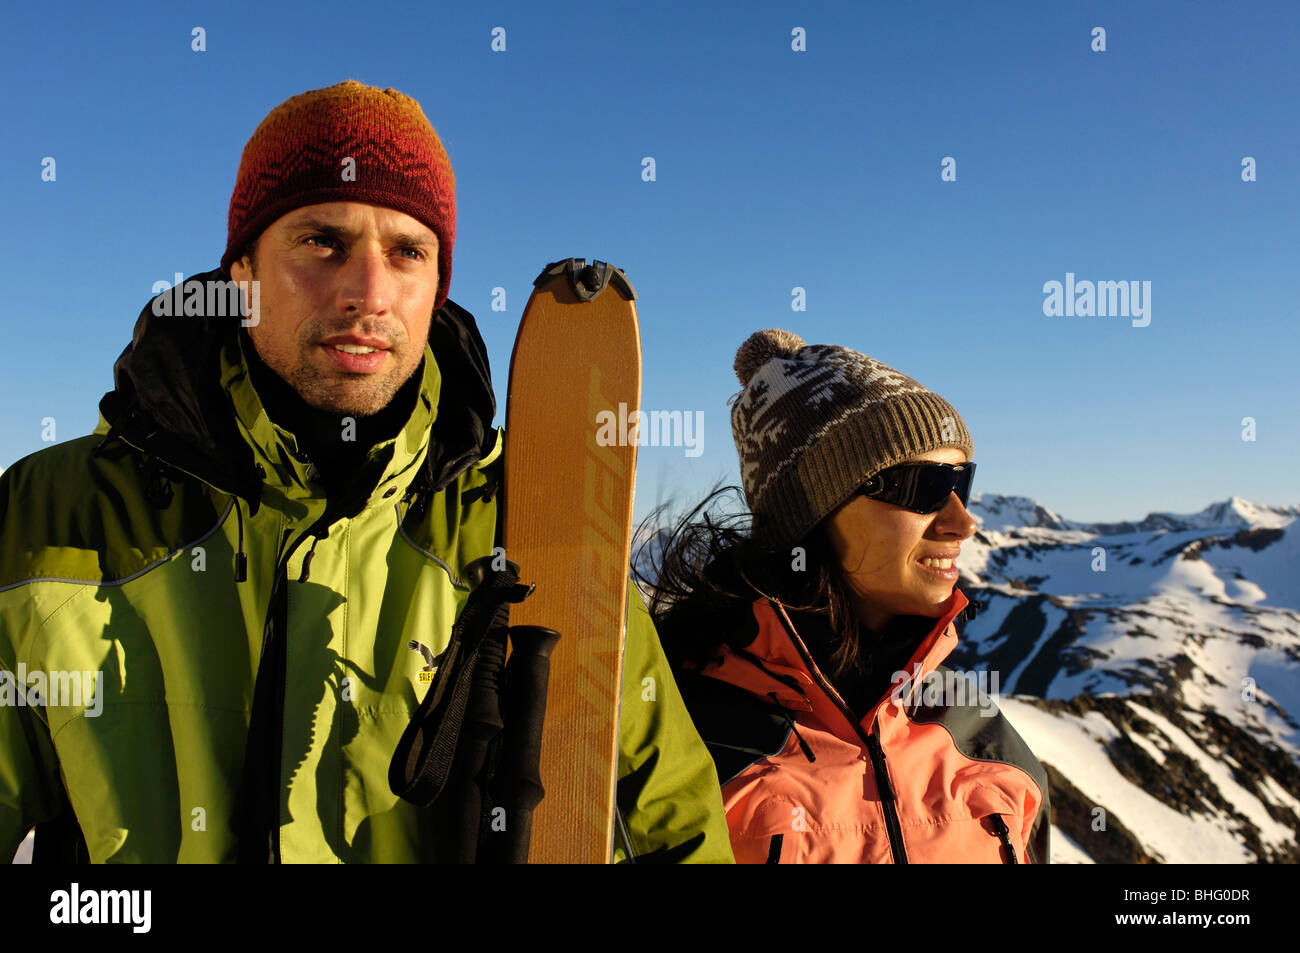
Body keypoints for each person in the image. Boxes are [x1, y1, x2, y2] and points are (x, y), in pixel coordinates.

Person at [0, 80, 732, 864]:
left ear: (435, 289)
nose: (369, 292)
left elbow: (673, 829)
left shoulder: (535, 522)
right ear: (242, 271)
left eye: (407, 252)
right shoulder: (52, 517)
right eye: (323, 241)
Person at [642, 329, 1050, 863]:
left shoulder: (985, 739)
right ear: (811, 516)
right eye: (922, 487)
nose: (963, 522)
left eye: (960, 483)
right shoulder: (681, 739)